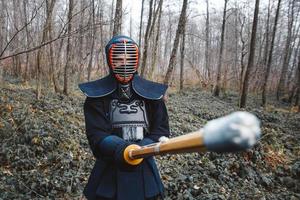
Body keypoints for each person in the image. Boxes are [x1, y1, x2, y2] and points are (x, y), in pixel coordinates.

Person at [79, 35, 170, 200]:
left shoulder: (153, 95)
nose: (124, 63)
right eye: (119, 59)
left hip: (145, 172)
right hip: (109, 172)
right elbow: (96, 135)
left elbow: (161, 130)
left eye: (129, 59)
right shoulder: (96, 96)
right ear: (110, 60)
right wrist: (122, 148)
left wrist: (143, 149)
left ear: (136, 60)